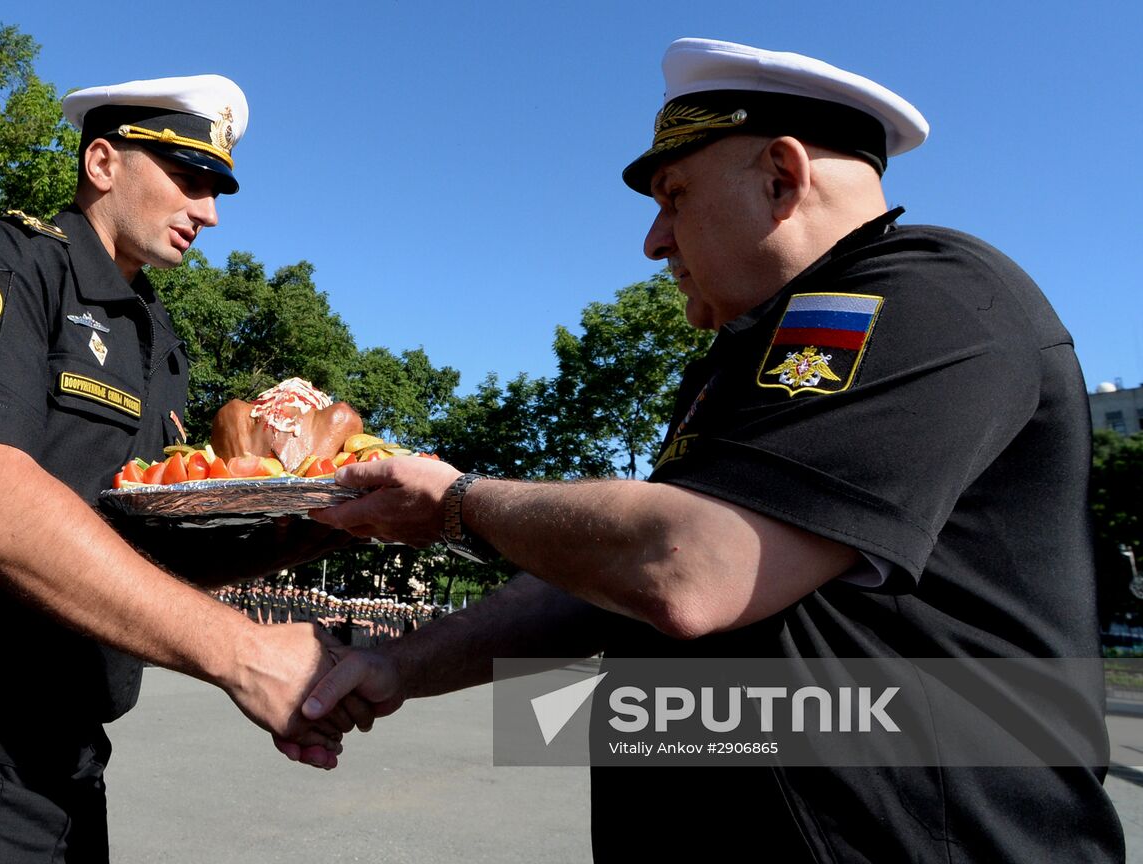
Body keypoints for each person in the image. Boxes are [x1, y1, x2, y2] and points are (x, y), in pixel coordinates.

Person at [304, 38, 1124, 862]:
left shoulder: (933, 293)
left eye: (674, 195)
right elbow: (601, 583)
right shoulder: (741, 358)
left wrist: (456, 502)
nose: (655, 241)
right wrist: (400, 666)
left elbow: (690, 571)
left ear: (782, 176)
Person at [0, 73, 358, 864]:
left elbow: (146, 556)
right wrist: (241, 651)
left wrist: (332, 522)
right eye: (188, 181)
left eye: (217, 189)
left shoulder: (155, 339)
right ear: (102, 162)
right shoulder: (0, 265)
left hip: (63, 766)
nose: (210, 212)